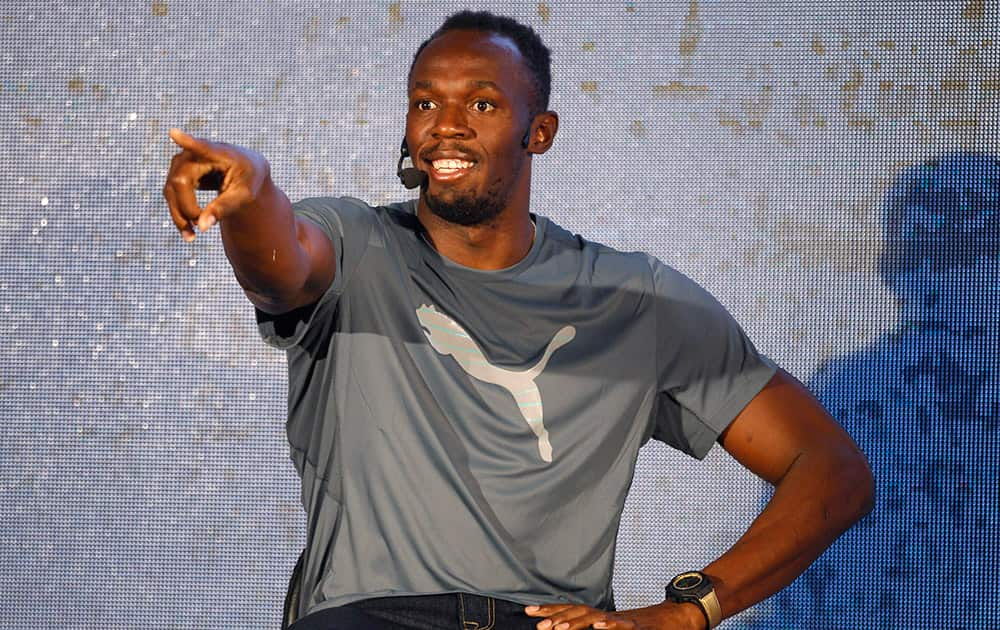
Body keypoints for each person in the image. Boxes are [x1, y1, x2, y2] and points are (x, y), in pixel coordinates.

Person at [162, 11, 874, 630]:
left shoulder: (634, 298)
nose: (445, 126)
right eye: (424, 102)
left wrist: (691, 608)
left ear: (540, 132)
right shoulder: (355, 246)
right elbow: (281, 262)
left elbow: (832, 471)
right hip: (370, 618)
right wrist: (247, 189)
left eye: (481, 105)